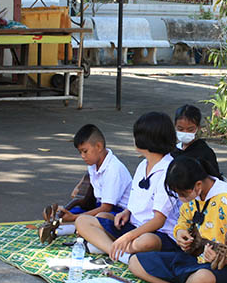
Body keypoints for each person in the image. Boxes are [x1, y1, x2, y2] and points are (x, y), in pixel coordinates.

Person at [129, 156, 227, 283]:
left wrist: (225, 258)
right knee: (135, 262)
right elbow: (183, 221)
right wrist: (180, 232)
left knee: (202, 280)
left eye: (183, 194)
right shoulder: (195, 196)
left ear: (198, 185)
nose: (180, 198)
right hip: (196, 259)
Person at [75, 112, 180, 263]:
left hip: (156, 233)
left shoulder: (169, 171)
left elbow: (158, 221)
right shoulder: (143, 164)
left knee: (146, 242)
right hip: (133, 225)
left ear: (147, 139)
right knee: (83, 221)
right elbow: (136, 200)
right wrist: (126, 212)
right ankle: (118, 252)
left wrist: (128, 236)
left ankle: (111, 248)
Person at [45, 124, 133, 238]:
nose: (82, 156)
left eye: (85, 151)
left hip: (119, 213)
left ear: (99, 146)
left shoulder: (114, 169)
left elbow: (107, 208)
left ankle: (65, 228)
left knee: (100, 217)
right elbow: (88, 185)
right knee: (63, 213)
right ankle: (67, 225)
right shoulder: (93, 165)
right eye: (80, 152)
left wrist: (75, 217)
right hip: (98, 206)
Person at [173, 104, 221, 177]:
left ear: (198, 128)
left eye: (190, 129)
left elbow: (214, 179)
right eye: (180, 129)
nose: (185, 132)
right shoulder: (173, 151)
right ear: (175, 126)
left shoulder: (205, 153)